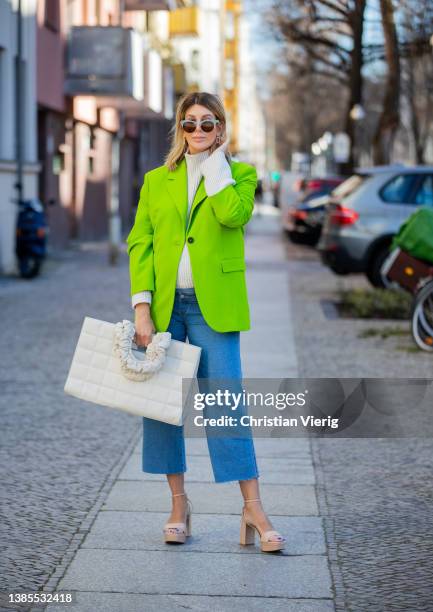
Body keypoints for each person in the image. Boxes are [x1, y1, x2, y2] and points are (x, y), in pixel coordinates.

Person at [126, 91, 285, 553]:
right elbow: (142, 242)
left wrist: (215, 165)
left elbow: (232, 216)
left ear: (221, 128)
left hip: (214, 306)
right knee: (163, 407)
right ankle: (178, 505)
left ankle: (253, 509)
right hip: (165, 307)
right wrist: (141, 305)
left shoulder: (240, 176)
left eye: (207, 123)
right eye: (190, 124)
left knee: (227, 403)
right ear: (179, 128)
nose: (197, 131)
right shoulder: (157, 180)